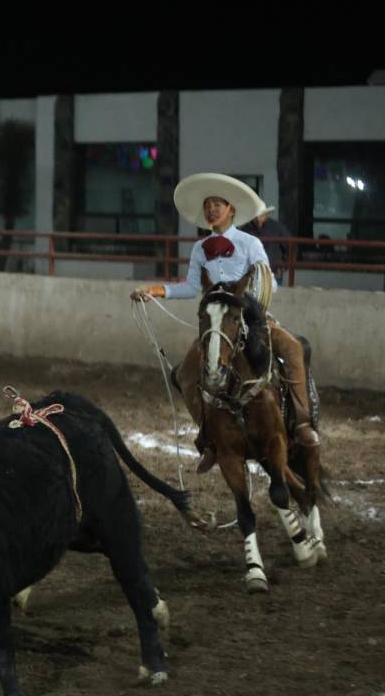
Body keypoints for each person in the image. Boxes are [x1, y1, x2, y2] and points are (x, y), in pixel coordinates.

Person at [131, 173, 319, 473]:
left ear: (231, 209)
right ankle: (209, 439)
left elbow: (270, 283)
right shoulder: (199, 249)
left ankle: (302, 423)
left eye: (218, 204)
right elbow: (193, 287)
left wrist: (251, 306)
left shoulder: (251, 244)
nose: (212, 210)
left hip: (253, 320)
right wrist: (157, 291)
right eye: (208, 205)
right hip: (216, 326)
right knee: (185, 375)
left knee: (293, 350)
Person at [240, 200, 293, 281]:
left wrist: (283, 266)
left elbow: (291, 246)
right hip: (250, 273)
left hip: (272, 272)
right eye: (256, 216)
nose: (258, 218)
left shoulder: (277, 228)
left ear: (266, 214)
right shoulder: (245, 229)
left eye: (260, 215)